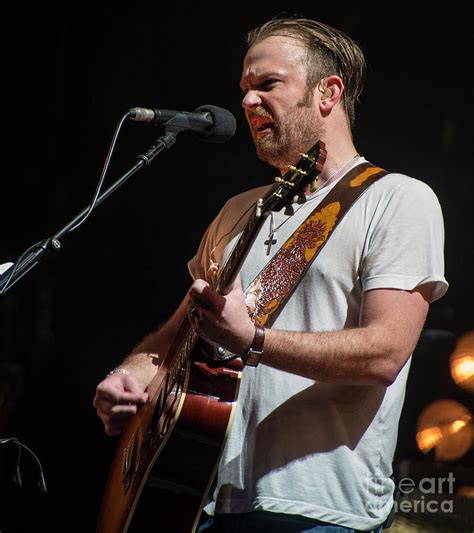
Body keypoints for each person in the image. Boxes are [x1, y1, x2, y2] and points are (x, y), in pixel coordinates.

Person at [93, 17, 448, 532]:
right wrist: (126, 379)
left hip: (320, 510)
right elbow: (169, 343)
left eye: (268, 85)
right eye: (244, 89)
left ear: (328, 92)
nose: (248, 101)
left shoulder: (397, 199)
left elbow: (385, 353)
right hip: (203, 503)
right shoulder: (238, 210)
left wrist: (254, 339)